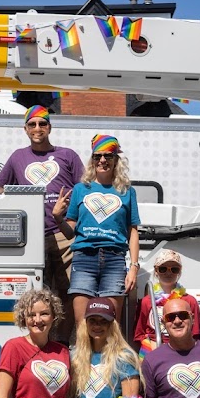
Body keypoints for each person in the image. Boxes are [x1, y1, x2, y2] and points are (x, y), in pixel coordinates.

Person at [0, 106, 84, 341]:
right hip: (32, 238)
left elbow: (84, 190)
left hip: (65, 234)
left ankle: (64, 342)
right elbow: (0, 188)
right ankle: (42, 343)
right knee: (39, 294)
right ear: (25, 129)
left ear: (50, 127)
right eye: (32, 124)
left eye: (42, 124)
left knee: (69, 291)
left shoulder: (68, 155)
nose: (37, 129)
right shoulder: (17, 157)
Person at [52, 135, 140, 325]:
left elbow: (133, 231)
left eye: (108, 156)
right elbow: (70, 232)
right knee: (82, 324)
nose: (102, 160)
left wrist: (133, 267)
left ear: (116, 160)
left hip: (115, 260)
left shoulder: (127, 191)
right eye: (97, 156)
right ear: (92, 160)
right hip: (84, 259)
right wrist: (58, 217)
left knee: (111, 324)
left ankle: (109, 356)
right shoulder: (80, 189)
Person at [133, 248, 200, 357]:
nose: (168, 272)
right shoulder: (146, 301)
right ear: (156, 270)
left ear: (179, 271)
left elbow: (195, 333)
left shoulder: (189, 301)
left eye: (174, 269)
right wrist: (149, 348)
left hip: (182, 350)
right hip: (152, 349)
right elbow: (139, 333)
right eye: (163, 268)